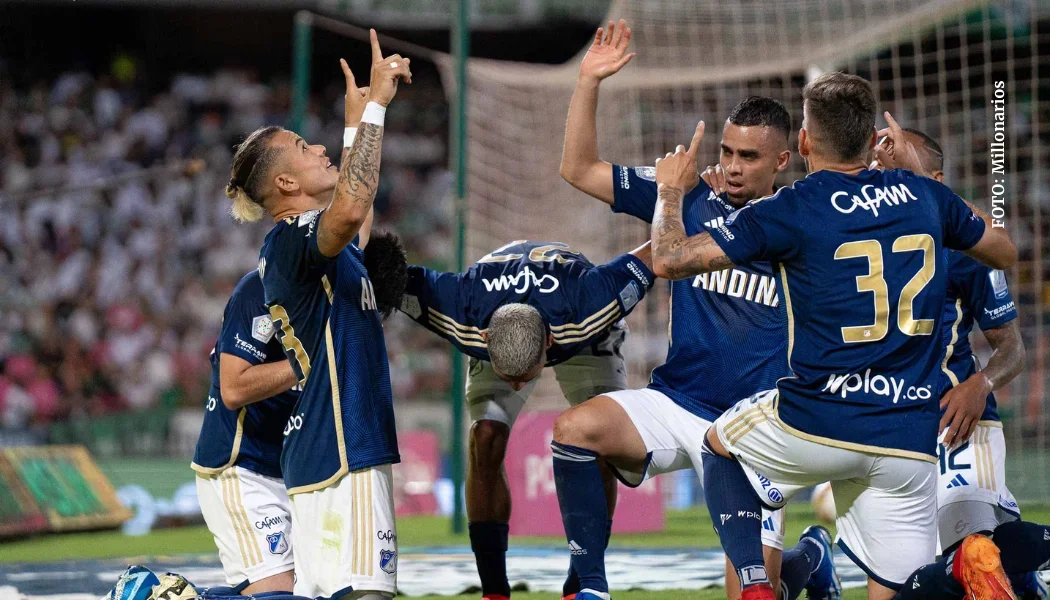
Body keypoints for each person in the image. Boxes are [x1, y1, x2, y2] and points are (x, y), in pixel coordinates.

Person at [646, 71, 1017, 600]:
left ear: (802, 141)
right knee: (897, 587)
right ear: (871, 142)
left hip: (816, 420)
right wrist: (929, 183)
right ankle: (962, 570)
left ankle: (755, 583)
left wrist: (668, 192)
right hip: (908, 437)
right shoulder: (924, 197)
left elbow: (669, 259)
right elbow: (1002, 249)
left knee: (719, 444)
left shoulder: (791, 206)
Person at [557, 19, 838, 600]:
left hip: (757, 428)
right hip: (679, 402)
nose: (732, 167)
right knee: (575, 429)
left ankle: (809, 560)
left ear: (784, 159)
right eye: (727, 152)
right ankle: (589, 587)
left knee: (754, 592)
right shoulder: (693, 196)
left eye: (749, 157)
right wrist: (588, 83)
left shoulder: (802, 219)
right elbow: (578, 169)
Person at [227, 30, 411, 600]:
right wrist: (376, 106)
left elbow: (353, 219)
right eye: (306, 148)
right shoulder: (288, 240)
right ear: (284, 183)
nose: (321, 149)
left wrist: (357, 126)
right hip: (341, 445)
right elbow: (351, 204)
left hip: (328, 448)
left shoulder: (313, 247)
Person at [396, 239, 655, 600]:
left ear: (550, 342)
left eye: (525, 376)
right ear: (483, 339)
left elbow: (655, 252)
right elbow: (386, 270)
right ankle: (494, 590)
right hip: (499, 310)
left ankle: (582, 581)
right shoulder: (460, 308)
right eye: (509, 377)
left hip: (578, 326)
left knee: (600, 442)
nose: (519, 386)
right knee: (484, 437)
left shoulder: (589, 308)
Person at [870, 129, 1050, 600]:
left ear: (937, 181)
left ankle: (1009, 557)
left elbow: (1011, 349)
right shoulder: (852, 238)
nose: (895, 190)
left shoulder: (969, 245)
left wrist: (980, 385)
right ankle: (1026, 572)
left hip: (956, 420)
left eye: (907, 177)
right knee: (916, 579)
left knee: (969, 549)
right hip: (884, 425)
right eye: (884, 176)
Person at [191, 269, 300, 595]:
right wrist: (307, 362)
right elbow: (234, 386)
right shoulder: (258, 291)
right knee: (278, 594)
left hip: (295, 475)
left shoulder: (330, 293)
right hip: (242, 466)